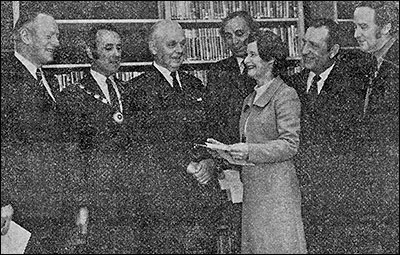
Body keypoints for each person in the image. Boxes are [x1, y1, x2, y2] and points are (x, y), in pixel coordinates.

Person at [125, 19, 225, 254]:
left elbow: (211, 133)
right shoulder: (136, 90)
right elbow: (140, 145)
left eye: (182, 44)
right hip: (162, 203)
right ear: (153, 48)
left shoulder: (195, 85)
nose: (179, 51)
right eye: (172, 45)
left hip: (201, 200)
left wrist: (211, 162)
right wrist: (186, 165)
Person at [209, 29, 306, 254]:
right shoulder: (250, 97)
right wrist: (227, 152)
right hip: (253, 190)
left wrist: (248, 151)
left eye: (253, 55)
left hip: (277, 192)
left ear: (270, 59)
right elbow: (251, 141)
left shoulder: (285, 95)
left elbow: (290, 144)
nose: (246, 60)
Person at [287, 18, 373, 253]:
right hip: (297, 194)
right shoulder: (290, 85)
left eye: (313, 46)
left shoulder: (353, 88)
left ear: (333, 50)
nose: (304, 51)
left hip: (335, 200)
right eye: (304, 43)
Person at [1, 11, 81, 253]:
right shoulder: (5, 77)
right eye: (49, 36)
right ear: (25, 36)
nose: (56, 43)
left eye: (57, 36)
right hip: (21, 211)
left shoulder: (48, 79)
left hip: (53, 209)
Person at [59, 24, 143, 253]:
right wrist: (81, 205)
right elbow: (71, 156)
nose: (116, 54)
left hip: (130, 201)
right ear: (90, 51)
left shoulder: (128, 92)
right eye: (108, 48)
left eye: (118, 48)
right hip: (96, 202)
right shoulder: (73, 95)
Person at [205, 11, 258, 253]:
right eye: (227, 36)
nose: (234, 41)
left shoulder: (264, 67)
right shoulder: (217, 72)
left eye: (240, 34)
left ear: (252, 34)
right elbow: (214, 118)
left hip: (257, 159)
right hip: (228, 164)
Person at [352, 1, 399, 253]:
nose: (356, 35)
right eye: (355, 27)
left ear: (387, 27)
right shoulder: (373, 62)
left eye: (363, 27)